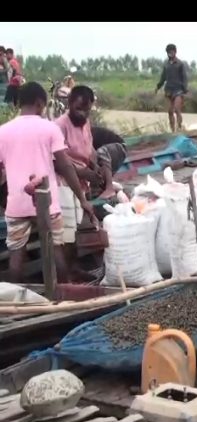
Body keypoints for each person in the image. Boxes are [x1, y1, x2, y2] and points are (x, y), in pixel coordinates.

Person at [0, 82, 94, 283]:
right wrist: (82, 199)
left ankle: (15, 305)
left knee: (16, 257)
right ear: (40, 103)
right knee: (55, 250)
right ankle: (61, 297)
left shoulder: (3, 131)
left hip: (17, 202)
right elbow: (66, 167)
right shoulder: (50, 128)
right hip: (48, 202)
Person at [54, 85, 98, 278]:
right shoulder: (59, 125)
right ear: (70, 103)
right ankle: (66, 278)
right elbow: (57, 162)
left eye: (87, 110)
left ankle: (73, 269)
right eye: (79, 109)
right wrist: (84, 173)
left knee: (74, 232)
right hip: (63, 183)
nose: (83, 113)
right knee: (66, 234)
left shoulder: (85, 123)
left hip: (81, 182)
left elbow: (90, 148)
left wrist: (94, 166)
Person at [155, 44, 189, 133]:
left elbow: (184, 77)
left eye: (171, 52)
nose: (170, 53)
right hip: (168, 90)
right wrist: (158, 86)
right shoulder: (166, 65)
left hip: (178, 90)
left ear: (175, 52)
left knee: (177, 109)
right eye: (168, 52)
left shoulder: (180, 64)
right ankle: (173, 131)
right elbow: (163, 78)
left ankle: (179, 128)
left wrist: (185, 88)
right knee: (170, 111)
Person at [91, 126, 128, 199]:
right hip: (108, 155)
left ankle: (109, 188)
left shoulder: (84, 134)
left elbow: (92, 156)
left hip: (119, 148)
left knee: (100, 153)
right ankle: (105, 189)